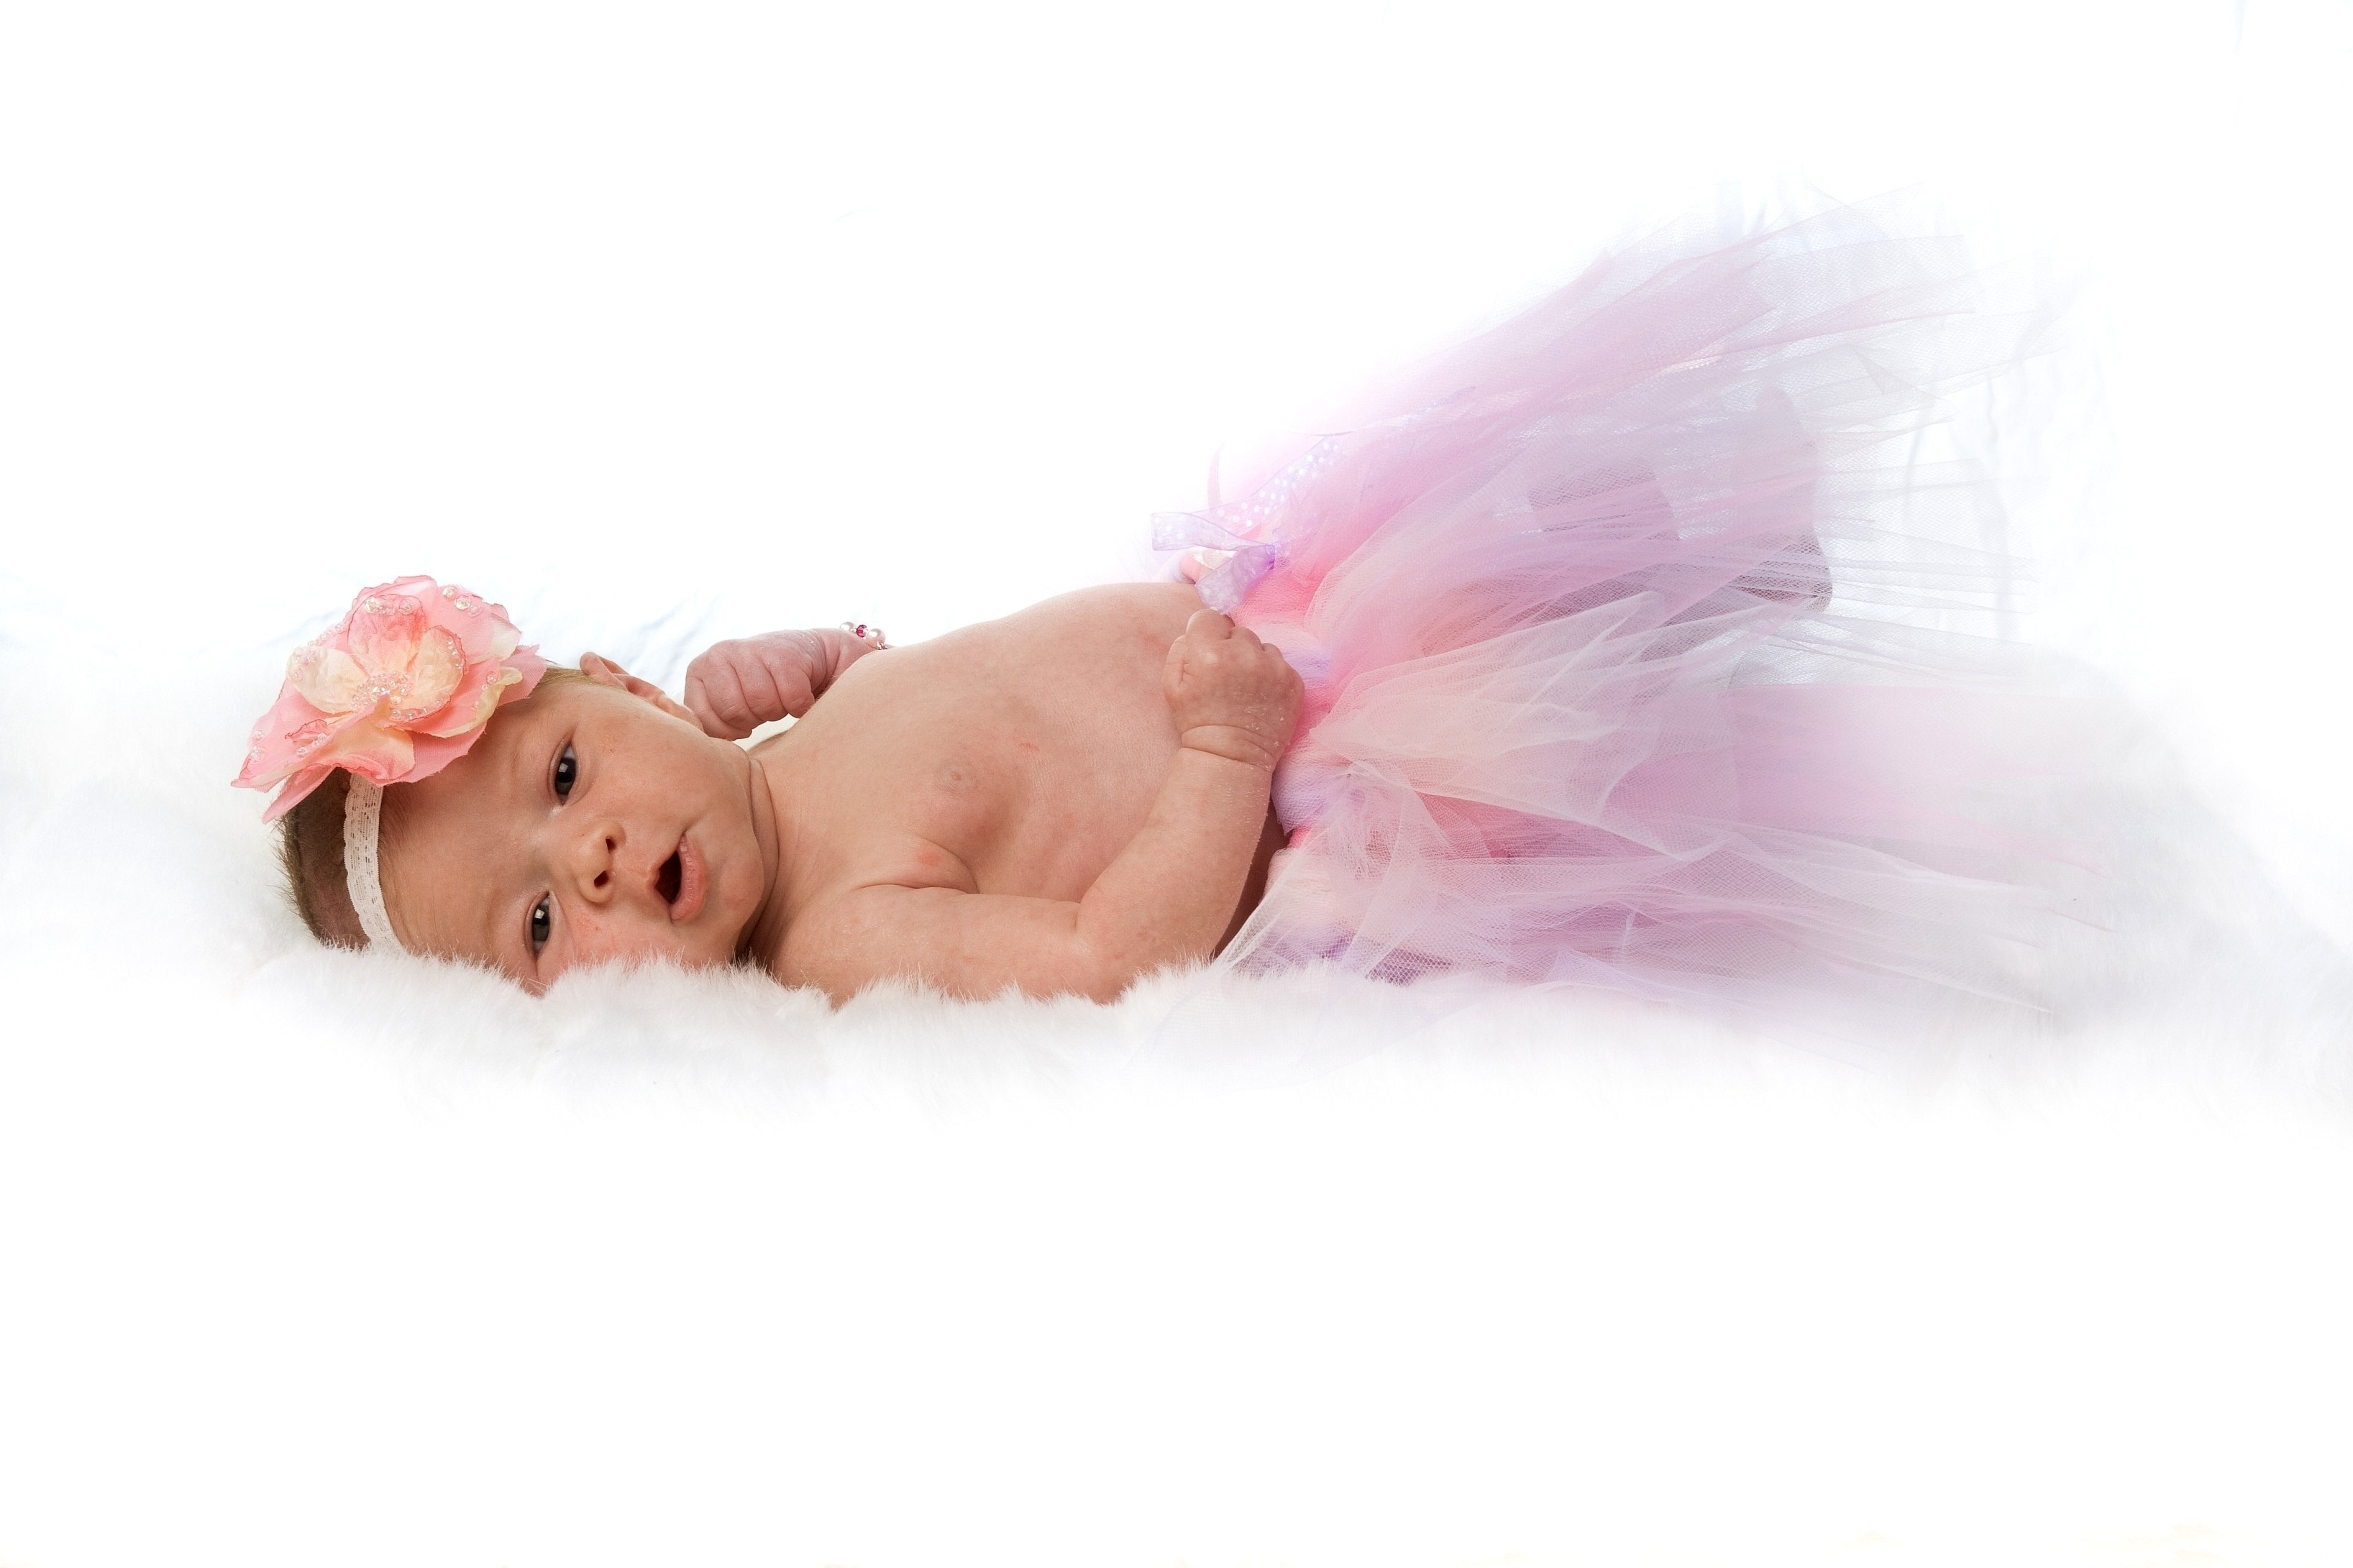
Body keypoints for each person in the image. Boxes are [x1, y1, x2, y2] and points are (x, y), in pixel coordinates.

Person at [238, 196, 2109, 1019]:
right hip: (1308, 769)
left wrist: (806, 675)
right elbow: (1101, 952)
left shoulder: (758, 752)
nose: (596, 848)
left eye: (567, 773)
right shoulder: (842, 940)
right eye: (541, 920)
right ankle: (1728, 687)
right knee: (1593, 758)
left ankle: (1711, 570)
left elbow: (887, 709)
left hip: (1297, 615)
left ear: (621, 686)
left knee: (1526, 537)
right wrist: (1224, 752)